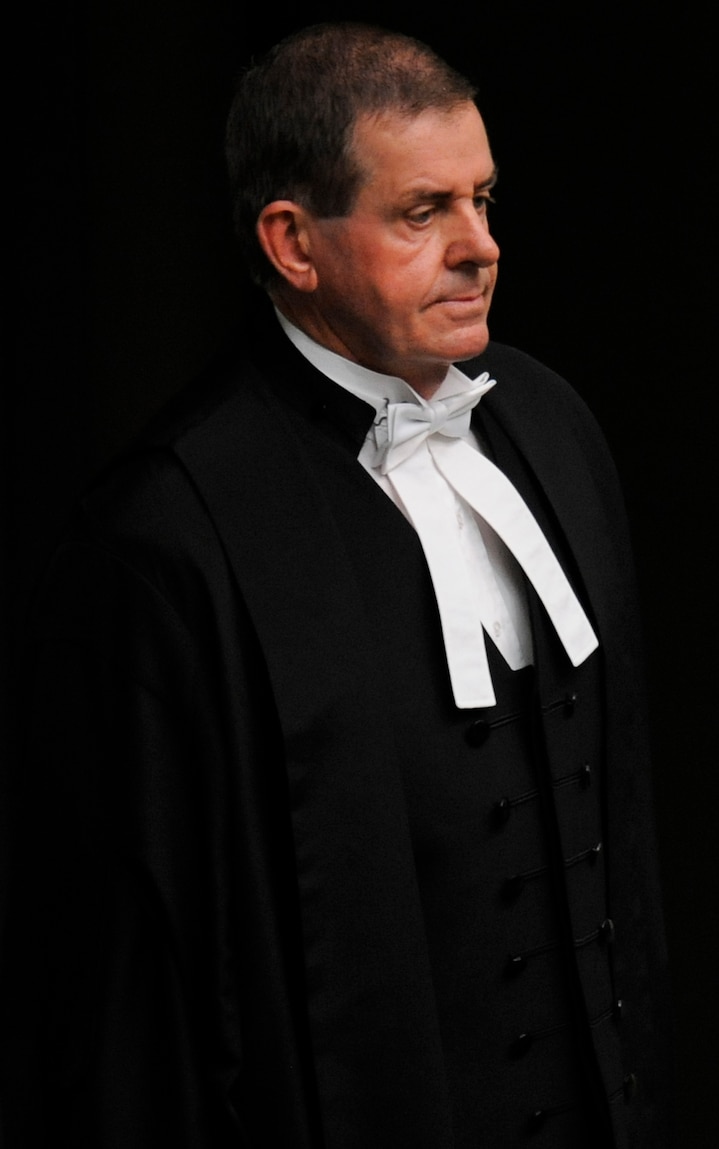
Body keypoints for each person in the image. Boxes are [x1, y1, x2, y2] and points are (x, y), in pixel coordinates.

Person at [2, 22, 672, 1149]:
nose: (480, 246)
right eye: (423, 213)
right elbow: (133, 996)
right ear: (293, 243)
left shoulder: (552, 429)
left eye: (484, 199)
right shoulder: (169, 538)